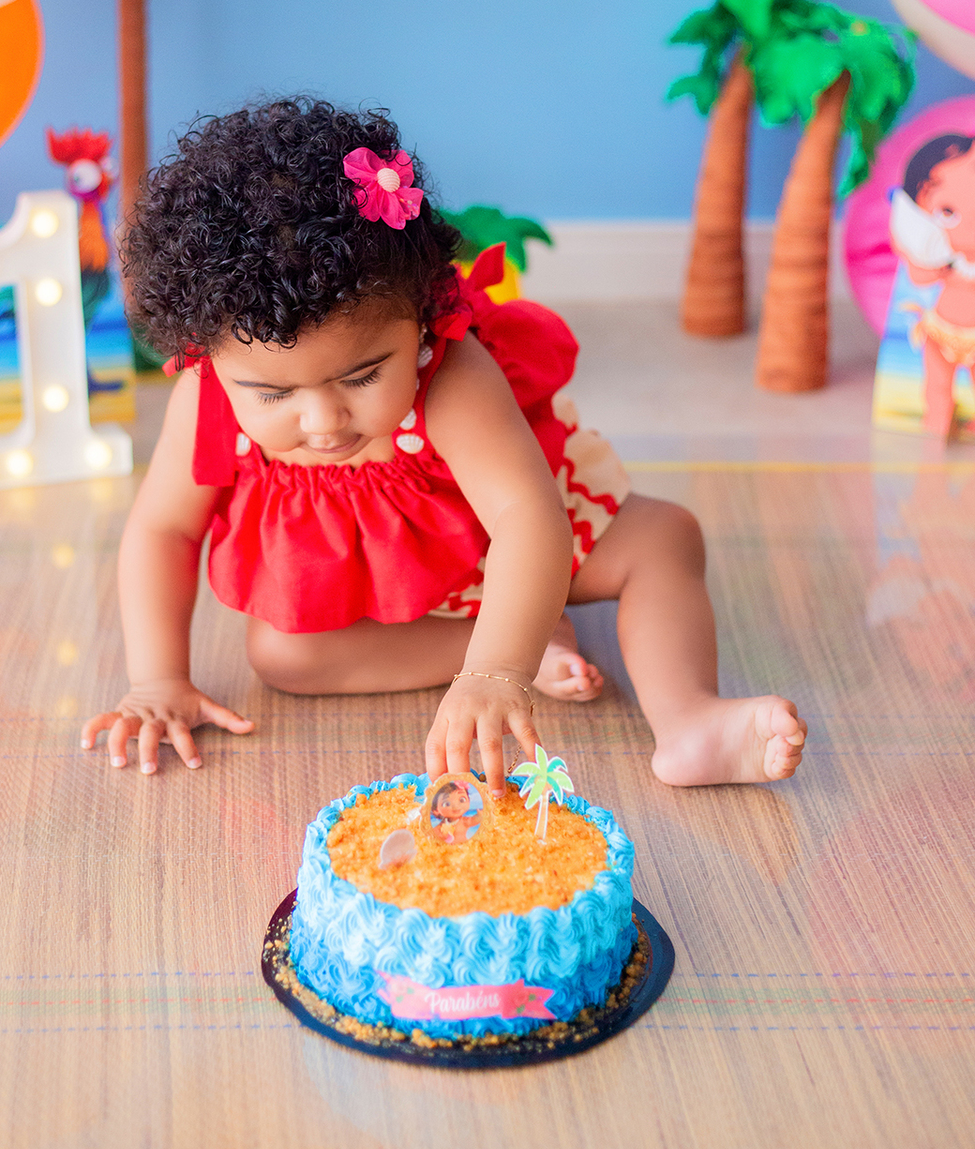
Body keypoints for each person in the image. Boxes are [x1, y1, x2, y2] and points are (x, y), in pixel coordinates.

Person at [82, 99, 806, 790]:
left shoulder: (451, 374)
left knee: (665, 538)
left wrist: (496, 675)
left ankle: (688, 719)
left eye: (364, 375)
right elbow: (163, 530)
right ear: (206, 356)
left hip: (503, 553)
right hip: (371, 593)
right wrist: (158, 679)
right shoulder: (204, 398)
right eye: (273, 396)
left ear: (423, 318)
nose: (324, 420)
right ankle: (523, 640)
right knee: (283, 654)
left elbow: (529, 519)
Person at [889, 133, 975, 437]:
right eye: (947, 212)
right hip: (940, 330)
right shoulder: (940, 257)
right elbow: (919, 277)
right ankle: (937, 422)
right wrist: (916, 251)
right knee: (937, 386)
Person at [430, 779, 482, 845]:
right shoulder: (441, 825)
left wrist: (480, 815)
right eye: (446, 803)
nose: (456, 806)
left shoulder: (464, 821)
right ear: (436, 810)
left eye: (462, 800)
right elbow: (432, 831)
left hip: (464, 848)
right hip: (447, 851)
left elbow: (474, 820)